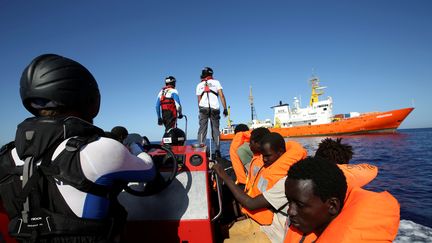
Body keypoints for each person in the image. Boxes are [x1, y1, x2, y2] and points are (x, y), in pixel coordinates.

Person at [0, 54, 157, 242]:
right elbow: (149, 170)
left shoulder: (6, 156)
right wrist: (135, 146)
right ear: (89, 99)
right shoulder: (100, 148)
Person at [213, 132, 307, 243]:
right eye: (263, 156)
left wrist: (223, 175)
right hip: (261, 224)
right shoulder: (271, 167)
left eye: (268, 156)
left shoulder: (287, 181)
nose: (264, 160)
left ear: (281, 152)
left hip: (274, 235)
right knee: (217, 232)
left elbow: (251, 204)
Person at [284, 157, 400, 243]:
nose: (290, 212)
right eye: (289, 202)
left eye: (300, 205)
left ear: (332, 206)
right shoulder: (303, 227)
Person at [196, 67, 228, 157]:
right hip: (215, 108)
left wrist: (201, 109)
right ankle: (217, 150)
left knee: (202, 128)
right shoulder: (216, 82)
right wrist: (225, 108)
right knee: (215, 129)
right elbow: (221, 95)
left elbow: (199, 100)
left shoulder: (199, 85)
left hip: (203, 108)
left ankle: (201, 149)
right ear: (211, 74)